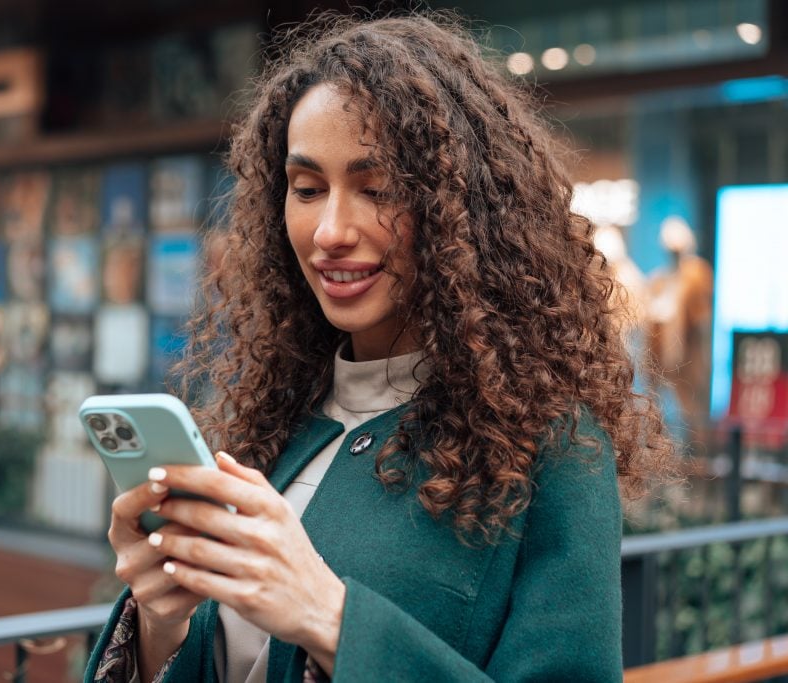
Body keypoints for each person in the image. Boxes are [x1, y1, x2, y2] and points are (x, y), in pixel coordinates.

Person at [86, 13, 674, 683]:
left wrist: (332, 620)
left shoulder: (554, 449)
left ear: (460, 210)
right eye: (307, 189)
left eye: (378, 189)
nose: (331, 229)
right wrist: (162, 623)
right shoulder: (269, 420)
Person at [646, 216, 714, 450]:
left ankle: (695, 464)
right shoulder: (659, 279)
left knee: (691, 414)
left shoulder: (697, 275)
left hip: (688, 359)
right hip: (662, 360)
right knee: (663, 415)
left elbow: (701, 319)